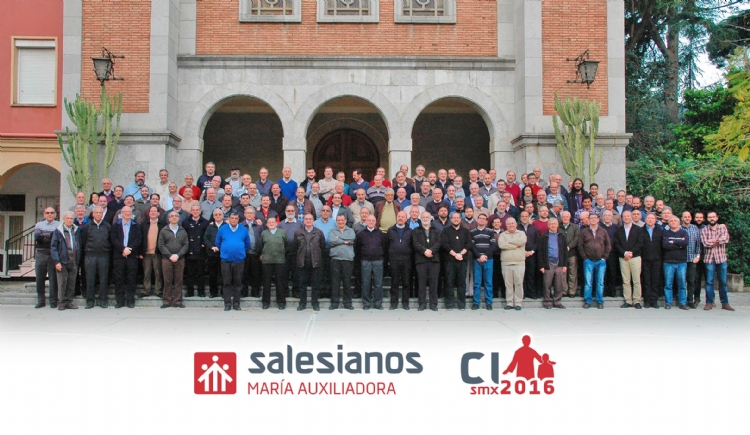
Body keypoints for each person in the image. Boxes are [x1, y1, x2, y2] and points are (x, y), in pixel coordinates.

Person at [215, 211, 251, 311]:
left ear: (238, 219)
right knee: (226, 283)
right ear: (229, 219)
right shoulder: (223, 229)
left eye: (236, 218)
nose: (234, 220)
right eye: (232, 218)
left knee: (238, 283)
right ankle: (227, 304)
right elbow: (218, 242)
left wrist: (239, 250)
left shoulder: (243, 229)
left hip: (239, 260)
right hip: (226, 260)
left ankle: (236, 303)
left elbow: (247, 243)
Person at [700, 211, 734, 311]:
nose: (712, 219)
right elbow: (705, 243)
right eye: (710, 217)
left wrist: (713, 240)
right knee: (709, 282)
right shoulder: (704, 230)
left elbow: (726, 239)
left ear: (717, 218)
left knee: (723, 282)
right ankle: (709, 303)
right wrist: (719, 240)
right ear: (707, 219)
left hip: (721, 258)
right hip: (709, 259)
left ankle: (725, 303)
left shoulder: (722, 228)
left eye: (713, 217)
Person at [111, 206, 142, 308]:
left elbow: (138, 239)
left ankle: (130, 300)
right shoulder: (116, 225)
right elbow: (114, 239)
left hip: (131, 256)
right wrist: (123, 249)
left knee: (131, 278)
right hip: (119, 256)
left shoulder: (136, 226)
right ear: (121, 213)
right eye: (125, 212)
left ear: (132, 214)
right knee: (119, 279)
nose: (127, 213)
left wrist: (129, 249)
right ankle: (120, 301)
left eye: (129, 212)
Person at [81, 206, 112, 309]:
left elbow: (110, 241)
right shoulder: (87, 226)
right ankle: (90, 301)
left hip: (104, 255)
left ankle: (103, 300)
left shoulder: (107, 226)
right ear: (93, 214)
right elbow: (84, 241)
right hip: (90, 256)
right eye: (96, 212)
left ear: (102, 214)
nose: (98, 214)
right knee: (90, 279)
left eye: (100, 213)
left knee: (103, 279)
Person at [578, 213, 611, 309]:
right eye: (591, 218)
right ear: (588, 220)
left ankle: (599, 301)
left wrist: (604, 257)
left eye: (594, 218)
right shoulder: (584, 232)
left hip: (601, 261)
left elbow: (608, 245)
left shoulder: (603, 231)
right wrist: (584, 258)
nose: (593, 219)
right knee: (588, 283)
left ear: (598, 220)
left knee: (600, 283)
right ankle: (588, 301)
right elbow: (580, 246)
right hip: (588, 261)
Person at [50, 212, 81, 310]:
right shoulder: (58, 231)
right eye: (67, 218)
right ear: (64, 219)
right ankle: (61, 302)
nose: (69, 220)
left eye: (71, 218)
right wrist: (56, 262)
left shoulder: (76, 230)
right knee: (62, 283)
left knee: (71, 283)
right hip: (62, 261)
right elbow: (53, 248)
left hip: (74, 261)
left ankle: (69, 302)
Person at [158, 211, 189, 309]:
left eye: (176, 216)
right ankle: (166, 301)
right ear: (169, 219)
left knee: (178, 280)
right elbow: (161, 245)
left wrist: (178, 255)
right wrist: (170, 255)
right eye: (172, 216)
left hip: (180, 259)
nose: (174, 217)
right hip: (167, 259)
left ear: (179, 219)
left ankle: (177, 301)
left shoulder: (183, 231)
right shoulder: (164, 230)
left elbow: (186, 245)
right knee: (167, 280)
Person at [441, 211, 472, 311]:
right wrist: (455, 254)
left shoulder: (465, 231)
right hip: (449, 261)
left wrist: (461, 254)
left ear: (460, 219)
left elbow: (469, 244)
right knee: (449, 282)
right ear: (451, 219)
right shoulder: (446, 231)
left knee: (461, 283)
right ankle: (449, 304)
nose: (456, 219)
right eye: (454, 218)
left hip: (462, 261)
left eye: (458, 218)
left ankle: (461, 304)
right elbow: (445, 244)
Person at [295, 214, 326, 311]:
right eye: (306, 219)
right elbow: (295, 247)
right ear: (303, 221)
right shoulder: (298, 233)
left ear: (313, 221)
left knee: (315, 284)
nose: (308, 221)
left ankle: (315, 303)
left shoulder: (319, 232)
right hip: (302, 262)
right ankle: (302, 303)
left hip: (315, 262)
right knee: (302, 285)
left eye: (310, 219)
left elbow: (322, 246)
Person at [356, 215, 388, 310]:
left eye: (372, 220)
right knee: (366, 283)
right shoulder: (361, 234)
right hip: (365, 261)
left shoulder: (380, 234)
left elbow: (384, 247)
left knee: (378, 283)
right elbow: (358, 248)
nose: (371, 222)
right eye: (369, 220)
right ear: (366, 222)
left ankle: (378, 303)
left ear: (375, 222)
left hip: (378, 261)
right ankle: (366, 303)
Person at [614, 210, 644, 308]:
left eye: (628, 216)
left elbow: (640, 243)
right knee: (626, 280)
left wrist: (631, 252)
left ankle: (636, 301)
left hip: (635, 257)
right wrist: (624, 253)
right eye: (624, 216)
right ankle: (628, 301)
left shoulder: (638, 229)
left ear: (631, 217)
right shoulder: (619, 230)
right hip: (623, 258)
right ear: (622, 218)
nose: (626, 218)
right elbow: (616, 243)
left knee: (636, 280)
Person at [412, 211, 441, 311]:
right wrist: (424, 251)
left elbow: (439, 242)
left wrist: (431, 251)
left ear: (430, 218)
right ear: (420, 219)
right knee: (421, 283)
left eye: (427, 217)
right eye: (423, 217)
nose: (425, 219)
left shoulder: (436, 230)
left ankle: (433, 304)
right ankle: (422, 304)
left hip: (434, 260)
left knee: (434, 283)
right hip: (421, 260)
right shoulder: (416, 231)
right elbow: (415, 243)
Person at [536, 218, 567, 309]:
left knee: (559, 284)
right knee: (547, 284)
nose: (553, 225)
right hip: (548, 264)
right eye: (551, 224)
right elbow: (540, 252)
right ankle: (547, 302)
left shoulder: (562, 236)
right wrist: (541, 266)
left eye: (555, 224)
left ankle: (557, 302)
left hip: (559, 263)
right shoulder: (544, 237)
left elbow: (565, 251)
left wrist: (565, 265)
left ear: (557, 225)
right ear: (548, 225)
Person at [498, 217, 527, 310]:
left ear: (516, 224)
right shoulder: (502, 235)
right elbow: (501, 245)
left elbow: (522, 241)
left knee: (519, 284)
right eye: (509, 224)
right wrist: (515, 245)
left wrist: (509, 241)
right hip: (506, 263)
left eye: (512, 223)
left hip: (519, 263)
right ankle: (509, 303)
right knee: (508, 285)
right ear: (506, 225)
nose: (511, 225)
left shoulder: (521, 233)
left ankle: (518, 303)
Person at [328, 214, 356, 310]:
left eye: (342, 220)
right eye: (339, 220)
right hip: (335, 259)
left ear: (345, 221)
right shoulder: (332, 231)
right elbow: (331, 240)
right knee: (335, 282)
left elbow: (351, 238)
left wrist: (338, 239)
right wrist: (344, 241)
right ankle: (334, 303)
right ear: (336, 221)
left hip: (347, 259)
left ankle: (347, 303)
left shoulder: (350, 230)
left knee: (347, 282)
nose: (340, 222)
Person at [259, 216, 287, 310]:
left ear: (276, 223)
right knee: (266, 282)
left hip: (279, 261)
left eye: (273, 222)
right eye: (269, 222)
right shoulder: (264, 233)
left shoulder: (282, 232)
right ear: (266, 224)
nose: (271, 223)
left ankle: (281, 302)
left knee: (280, 282)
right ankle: (266, 302)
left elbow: (286, 244)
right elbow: (261, 245)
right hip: (267, 261)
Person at [34, 207, 59, 309]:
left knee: (53, 279)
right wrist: (51, 235)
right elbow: (37, 238)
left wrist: (45, 235)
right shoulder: (39, 225)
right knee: (40, 278)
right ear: (44, 214)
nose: (49, 214)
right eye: (47, 213)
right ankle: (41, 301)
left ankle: (53, 301)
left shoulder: (59, 225)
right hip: (41, 254)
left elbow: (57, 239)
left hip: (53, 254)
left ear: (55, 214)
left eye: (52, 212)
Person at [661, 215, 689, 310]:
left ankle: (682, 303)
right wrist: (679, 243)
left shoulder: (684, 232)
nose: (673, 222)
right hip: (668, 262)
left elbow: (685, 243)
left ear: (679, 222)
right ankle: (668, 303)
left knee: (682, 284)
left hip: (681, 262)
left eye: (675, 221)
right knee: (668, 284)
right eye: (671, 221)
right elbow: (665, 245)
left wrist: (672, 242)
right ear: (668, 223)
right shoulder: (666, 233)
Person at [387, 211, 413, 310]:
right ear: (396, 217)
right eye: (399, 216)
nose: (400, 218)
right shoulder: (391, 230)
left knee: (406, 282)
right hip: (394, 260)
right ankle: (394, 303)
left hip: (406, 260)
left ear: (406, 219)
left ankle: (405, 303)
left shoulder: (410, 231)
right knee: (394, 282)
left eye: (403, 217)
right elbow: (387, 245)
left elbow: (412, 246)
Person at [471, 213, 497, 310]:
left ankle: (489, 302)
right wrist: (479, 256)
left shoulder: (490, 231)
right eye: (480, 218)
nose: (482, 220)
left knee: (488, 282)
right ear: (477, 220)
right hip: (477, 260)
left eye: (484, 219)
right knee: (477, 283)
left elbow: (493, 245)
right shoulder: (472, 232)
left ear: (486, 221)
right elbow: (472, 246)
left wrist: (485, 256)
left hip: (488, 259)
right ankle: (476, 302)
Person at [182, 204, 209, 297]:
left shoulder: (205, 222)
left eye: (197, 210)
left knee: (201, 273)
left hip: (201, 251)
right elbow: (184, 236)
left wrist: (204, 244)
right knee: (190, 273)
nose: (195, 211)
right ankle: (190, 292)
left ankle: (201, 292)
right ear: (191, 211)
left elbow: (207, 235)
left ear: (200, 211)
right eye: (193, 210)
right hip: (189, 251)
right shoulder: (186, 222)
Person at [139, 206, 163, 298]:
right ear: (149, 213)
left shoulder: (162, 225)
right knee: (146, 273)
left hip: (157, 253)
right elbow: (140, 238)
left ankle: (158, 290)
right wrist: (140, 252)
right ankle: (146, 290)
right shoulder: (144, 224)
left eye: (155, 211)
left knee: (158, 272)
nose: (153, 213)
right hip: (146, 253)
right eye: (151, 211)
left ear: (158, 213)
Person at [279, 205, 302, 298]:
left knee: (296, 273)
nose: (290, 212)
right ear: (285, 212)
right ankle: (285, 291)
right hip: (284, 252)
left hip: (297, 252)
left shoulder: (300, 224)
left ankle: (296, 291)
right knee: (284, 273)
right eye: (288, 211)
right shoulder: (281, 224)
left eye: (292, 211)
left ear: (295, 212)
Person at [681, 211, 702, 309]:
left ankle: (690, 300)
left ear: (691, 218)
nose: (687, 218)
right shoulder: (679, 228)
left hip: (692, 259)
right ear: (682, 218)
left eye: (688, 216)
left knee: (691, 281)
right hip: (681, 259)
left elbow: (698, 244)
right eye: (685, 217)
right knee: (681, 281)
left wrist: (697, 256)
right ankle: (682, 300)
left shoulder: (695, 228)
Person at [241, 207, 263, 297]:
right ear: (244, 214)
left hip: (256, 253)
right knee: (244, 274)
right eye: (248, 213)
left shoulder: (259, 226)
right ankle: (244, 292)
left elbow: (262, 239)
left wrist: (262, 253)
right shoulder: (240, 225)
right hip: (244, 254)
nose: (249, 214)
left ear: (254, 215)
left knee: (256, 274)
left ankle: (255, 292)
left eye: (251, 213)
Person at [203, 209, 225, 298]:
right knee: (213, 274)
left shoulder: (226, 226)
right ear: (213, 216)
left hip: (224, 254)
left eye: (220, 214)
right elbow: (206, 239)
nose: (218, 216)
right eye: (216, 215)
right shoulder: (210, 227)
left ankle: (224, 292)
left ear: (223, 216)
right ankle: (213, 292)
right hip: (212, 254)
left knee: (224, 274)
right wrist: (212, 247)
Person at [518, 211, 540, 300]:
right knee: (521, 275)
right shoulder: (517, 228)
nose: (524, 218)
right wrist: (523, 252)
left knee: (531, 274)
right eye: (522, 216)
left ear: (529, 217)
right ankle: (522, 293)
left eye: (526, 216)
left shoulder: (534, 228)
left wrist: (532, 251)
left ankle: (531, 293)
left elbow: (537, 241)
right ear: (520, 218)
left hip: (531, 255)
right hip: (520, 255)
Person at [601, 210, 620, 297]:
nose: (607, 217)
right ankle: (604, 291)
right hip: (602, 254)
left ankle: (612, 291)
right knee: (603, 273)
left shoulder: (616, 227)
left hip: (613, 253)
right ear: (603, 217)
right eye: (606, 215)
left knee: (612, 273)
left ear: (612, 217)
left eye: (609, 215)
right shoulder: (600, 227)